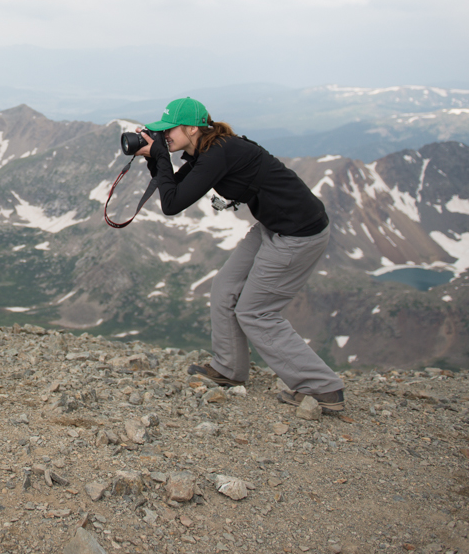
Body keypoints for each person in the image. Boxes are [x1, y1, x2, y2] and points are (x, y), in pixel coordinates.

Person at [135, 96, 345, 414]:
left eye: (169, 130)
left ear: (192, 128)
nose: (165, 136)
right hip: (274, 226)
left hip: (299, 234)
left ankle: (323, 388)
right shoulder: (206, 151)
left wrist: (161, 157)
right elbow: (173, 188)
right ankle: (228, 369)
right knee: (224, 288)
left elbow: (171, 204)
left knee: (255, 312)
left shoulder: (220, 153)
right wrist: (156, 157)